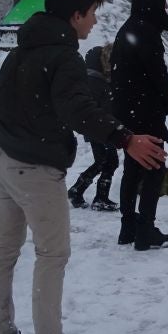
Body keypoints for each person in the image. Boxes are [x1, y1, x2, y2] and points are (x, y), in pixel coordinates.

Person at [0, 0, 167, 334]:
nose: (94, 21)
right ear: (75, 16)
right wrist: (125, 138)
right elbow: (78, 110)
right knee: (52, 253)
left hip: (4, 160)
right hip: (36, 167)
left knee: (3, 251)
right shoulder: (64, 57)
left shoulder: (23, 50)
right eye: (92, 13)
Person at [111, 0, 168, 250]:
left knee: (132, 169)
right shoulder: (146, 31)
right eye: (163, 2)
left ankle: (128, 226)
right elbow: (158, 75)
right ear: (151, 2)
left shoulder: (129, 28)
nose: (166, 7)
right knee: (154, 168)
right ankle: (145, 230)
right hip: (146, 112)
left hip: (127, 111)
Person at [67, 44, 120, 211]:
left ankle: (78, 190)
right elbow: (102, 107)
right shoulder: (96, 81)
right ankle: (99, 198)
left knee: (102, 161)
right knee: (109, 161)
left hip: (98, 128)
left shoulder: (95, 78)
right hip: (100, 128)